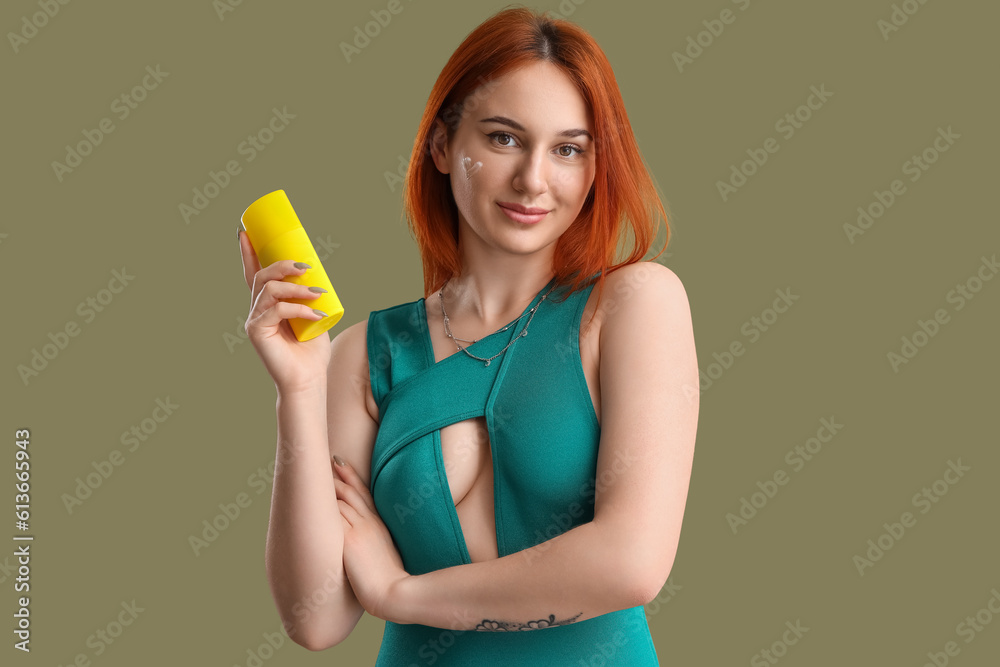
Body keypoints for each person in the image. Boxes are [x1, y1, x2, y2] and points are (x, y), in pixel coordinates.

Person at [237, 6, 698, 665]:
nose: (534, 179)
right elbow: (317, 616)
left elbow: (631, 561)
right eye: (504, 138)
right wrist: (298, 389)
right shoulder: (363, 354)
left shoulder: (632, 304)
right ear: (443, 146)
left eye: (568, 149)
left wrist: (400, 593)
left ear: (595, 170)